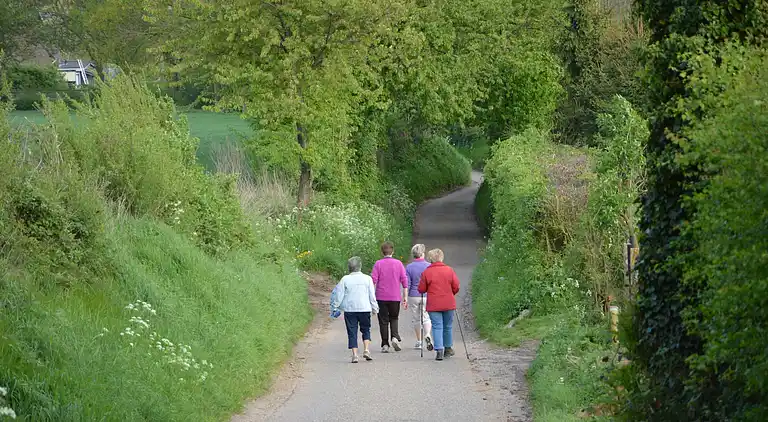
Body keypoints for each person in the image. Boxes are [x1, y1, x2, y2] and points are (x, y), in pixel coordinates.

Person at [331, 256, 379, 363]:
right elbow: (372, 295)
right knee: (366, 329)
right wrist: (375, 308)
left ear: (349, 267)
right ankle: (366, 350)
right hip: (365, 308)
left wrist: (335, 306)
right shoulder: (367, 279)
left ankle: (355, 355)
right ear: (360, 266)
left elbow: (339, 295)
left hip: (350, 309)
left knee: (352, 332)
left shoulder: (345, 279)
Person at [417, 248, 460, 361]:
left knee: (437, 326)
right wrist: (451, 293)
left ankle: (439, 351)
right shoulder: (449, 270)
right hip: (448, 303)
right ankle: (448, 348)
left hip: (434, 304)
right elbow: (456, 286)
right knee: (448, 326)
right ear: (441, 257)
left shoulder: (427, 272)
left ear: (430, 259)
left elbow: (421, 289)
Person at [371, 241, 408, 353]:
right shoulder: (398, 263)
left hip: (381, 297)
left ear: (382, 252)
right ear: (393, 251)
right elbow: (404, 280)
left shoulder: (378, 264)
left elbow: (373, 280)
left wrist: (371, 296)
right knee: (394, 318)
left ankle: (385, 344)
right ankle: (395, 337)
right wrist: (405, 296)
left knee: (383, 321)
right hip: (395, 297)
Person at [406, 244, 433, 351]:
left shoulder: (409, 267)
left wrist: (404, 297)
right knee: (426, 317)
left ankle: (419, 342)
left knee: (416, 318)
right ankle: (427, 334)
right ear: (423, 253)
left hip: (413, 295)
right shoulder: (429, 266)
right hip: (426, 295)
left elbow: (407, 284)